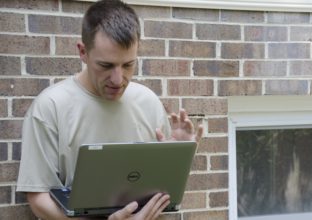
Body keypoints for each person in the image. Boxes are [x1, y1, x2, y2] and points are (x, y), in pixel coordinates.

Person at [16, 0, 203, 219]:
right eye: (106, 66)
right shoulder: (50, 107)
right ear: (83, 52)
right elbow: (38, 199)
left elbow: (163, 194)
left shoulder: (148, 102)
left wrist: (177, 161)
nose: (118, 79)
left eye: (128, 65)